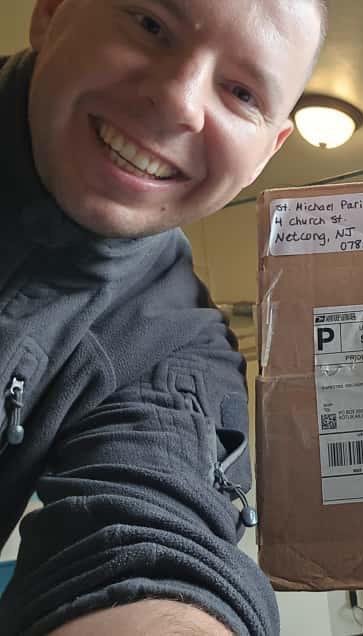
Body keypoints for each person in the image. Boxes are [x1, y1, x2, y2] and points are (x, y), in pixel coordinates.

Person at [0, 0, 324, 634]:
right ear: (51, 12)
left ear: (267, 152)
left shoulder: (176, 340)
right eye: (150, 25)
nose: (180, 102)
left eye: (242, 93)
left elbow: (150, 541)